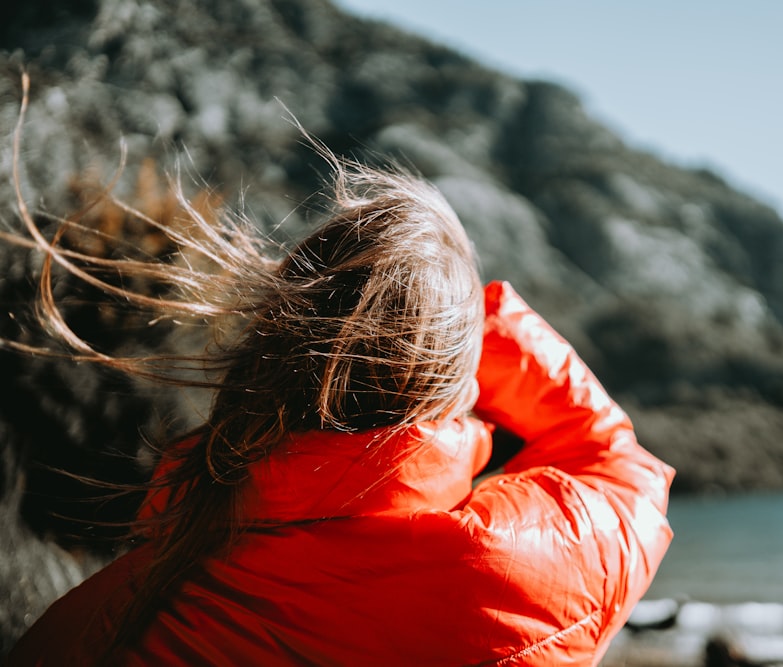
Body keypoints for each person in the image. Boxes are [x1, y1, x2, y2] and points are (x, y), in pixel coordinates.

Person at [5, 77, 674, 666]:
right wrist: (483, 314)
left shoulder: (116, 611)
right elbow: (619, 463)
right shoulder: (512, 574)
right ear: (456, 376)